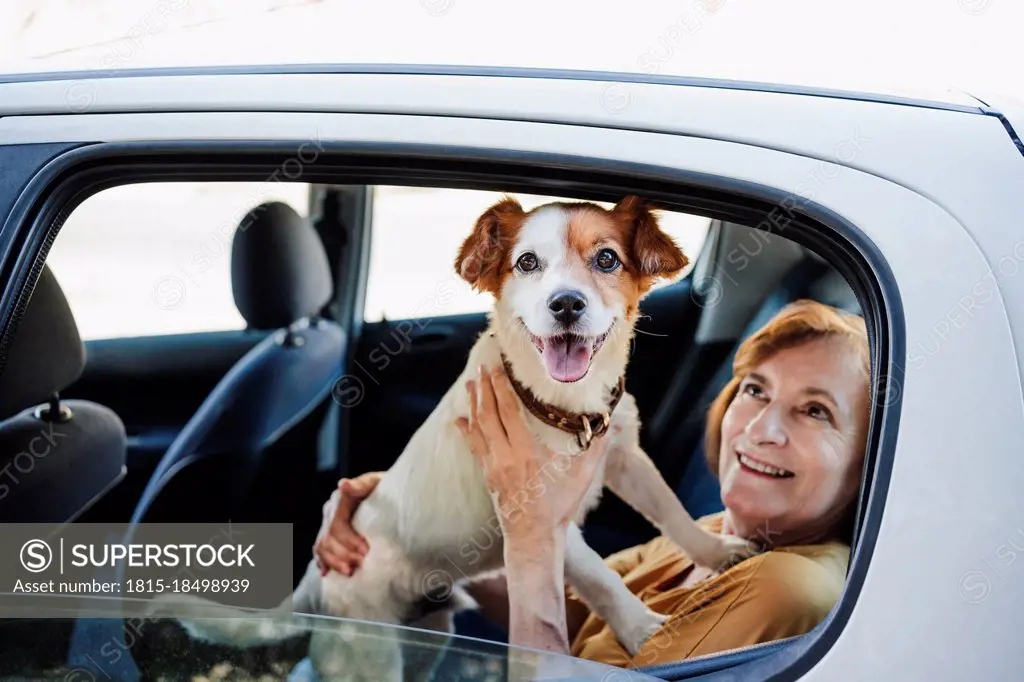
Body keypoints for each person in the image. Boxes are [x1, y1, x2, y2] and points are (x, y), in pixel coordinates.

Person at [313, 299, 870, 668]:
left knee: (251, 629)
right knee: (252, 576)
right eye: (755, 389)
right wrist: (403, 519)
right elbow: (574, 608)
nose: (761, 428)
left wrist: (528, 520)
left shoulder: (788, 586)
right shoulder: (717, 535)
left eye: (816, 412)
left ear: (868, 459)